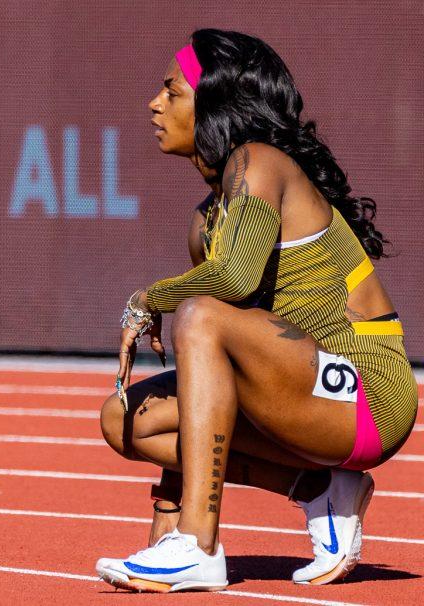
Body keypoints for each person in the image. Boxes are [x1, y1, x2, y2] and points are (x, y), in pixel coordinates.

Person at [95, 29, 416, 593]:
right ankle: (315, 490)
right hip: (300, 390)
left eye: (172, 90)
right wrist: (158, 529)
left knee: (199, 315)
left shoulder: (260, 162)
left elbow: (234, 280)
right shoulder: (207, 218)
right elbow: (207, 384)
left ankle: (199, 546)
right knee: (125, 421)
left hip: (371, 392)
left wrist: (146, 300)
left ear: (215, 103)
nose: (154, 102)